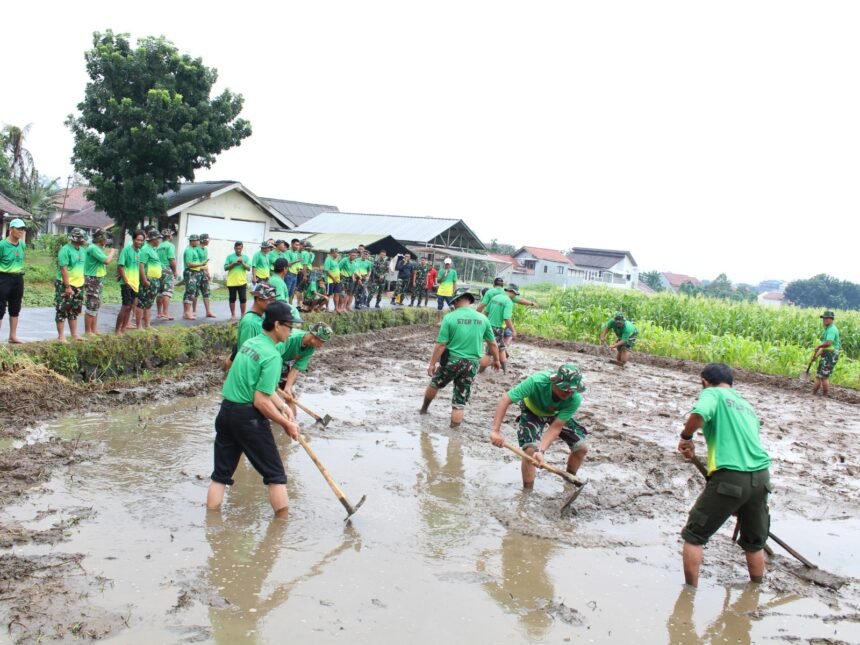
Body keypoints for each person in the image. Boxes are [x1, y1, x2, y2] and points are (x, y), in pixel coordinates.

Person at [677, 363, 771, 588]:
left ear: (704, 381)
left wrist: (686, 436)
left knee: (694, 535)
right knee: (754, 543)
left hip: (731, 477)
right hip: (761, 478)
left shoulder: (711, 393)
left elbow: (699, 414)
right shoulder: (745, 404)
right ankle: (755, 591)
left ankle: (688, 594)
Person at [206, 301, 300, 517]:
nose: (291, 330)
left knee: (220, 475)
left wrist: (283, 406)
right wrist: (286, 424)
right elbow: (260, 400)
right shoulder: (273, 356)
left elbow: (263, 389)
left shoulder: (250, 344)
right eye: (290, 326)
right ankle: (281, 532)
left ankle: (211, 525)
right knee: (276, 475)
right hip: (248, 419)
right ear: (277, 325)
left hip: (226, 412)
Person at [489, 364, 589, 487]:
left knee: (581, 447)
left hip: (555, 414)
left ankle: (571, 480)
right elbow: (506, 399)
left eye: (572, 390)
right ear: (555, 382)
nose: (568, 392)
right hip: (532, 410)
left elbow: (556, 427)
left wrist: (541, 451)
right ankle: (527, 492)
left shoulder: (575, 398)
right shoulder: (536, 381)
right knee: (531, 450)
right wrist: (495, 431)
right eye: (564, 388)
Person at [421, 288, 500, 427]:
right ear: (469, 300)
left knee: (435, 383)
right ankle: (454, 434)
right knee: (459, 401)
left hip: (452, 360)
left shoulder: (450, 317)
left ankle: (424, 409)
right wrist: (497, 360)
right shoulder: (483, 319)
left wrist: (432, 363)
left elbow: (441, 344)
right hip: (472, 364)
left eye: (454, 302)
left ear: (457, 300)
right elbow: (493, 343)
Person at [278, 322, 333, 417]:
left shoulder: (310, 348)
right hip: (271, 358)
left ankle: (293, 421)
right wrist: (272, 381)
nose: (322, 345)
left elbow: (296, 368)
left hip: (284, 362)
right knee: (268, 391)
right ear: (314, 336)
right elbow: (272, 357)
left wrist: (287, 387)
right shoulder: (290, 338)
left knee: (290, 395)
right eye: (322, 341)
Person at [54, 227, 88, 342]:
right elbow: (63, 269)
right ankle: (61, 336)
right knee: (62, 309)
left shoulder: (83, 251)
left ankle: (74, 334)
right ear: (75, 238)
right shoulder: (65, 250)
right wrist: (67, 286)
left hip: (79, 284)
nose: (83, 240)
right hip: (65, 284)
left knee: (74, 309)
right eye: (81, 238)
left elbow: (83, 268)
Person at [82, 228, 115, 336]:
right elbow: (107, 261)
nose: (106, 240)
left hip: (98, 278)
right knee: (91, 304)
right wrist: (112, 253)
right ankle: (88, 331)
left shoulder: (98, 248)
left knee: (96, 304)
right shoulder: (93, 248)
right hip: (93, 279)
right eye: (105, 238)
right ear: (101, 239)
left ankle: (94, 330)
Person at [0, 218, 28, 344]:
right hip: (3, 277)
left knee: (15, 306)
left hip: (18, 278)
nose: (21, 232)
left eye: (22, 229)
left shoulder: (22, 244)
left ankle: (13, 336)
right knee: (0, 307)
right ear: (11, 229)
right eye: (18, 229)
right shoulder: (2, 245)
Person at [481, 284, 518, 371]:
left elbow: (486, 312)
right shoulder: (508, 302)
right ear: (512, 292)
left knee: (501, 348)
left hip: (488, 326)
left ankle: (504, 371)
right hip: (497, 328)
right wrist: (513, 331)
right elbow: (507, 318)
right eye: (515, 294)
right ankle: (481, 371)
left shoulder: (495, 297)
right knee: (489, 352)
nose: (515, 296)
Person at [116, 229, 145, 334]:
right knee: (125, 306)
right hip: (127, 283)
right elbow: (120, 266)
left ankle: (124, 329)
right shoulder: (126, 250)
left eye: (142, 241)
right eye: (138, 240)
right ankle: (117, 330)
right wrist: (126, 281)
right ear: (133, 239)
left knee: (130, 308)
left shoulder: (140, 252)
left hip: (135, 284)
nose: (140, 242)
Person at [137, 229, 163, 328]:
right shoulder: (145, 250)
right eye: (159, 238)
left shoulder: (153, 250)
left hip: (154, 280)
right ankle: (139, 326)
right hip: (148, 279)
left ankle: (147, 325)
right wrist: (144, 280)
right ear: (153, 239)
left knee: (149, 303)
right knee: (142, 303)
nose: (160, 240)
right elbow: (141, 265)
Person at [811, 310, 840, 397]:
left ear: (831, 319)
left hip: (831, 355)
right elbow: (825, 346)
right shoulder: (827, 329)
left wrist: (818, 346)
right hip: (826, 353)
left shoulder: (832, 330)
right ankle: (813, 394)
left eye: (827, 318)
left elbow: (828, 343)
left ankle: (825, 396)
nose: (824, 320)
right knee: (819, 375)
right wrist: (816, 355)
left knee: (824, 376)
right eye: (824, 318)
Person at [224, 241, 251, 320]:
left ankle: (243, 314)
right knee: (232, 298)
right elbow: (225, 268)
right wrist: (233, 264)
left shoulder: (245, 257)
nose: (238, 250)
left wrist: (242, 263)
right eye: (237, 248)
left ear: (242, 248)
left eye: (240, 248)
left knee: (243, 298)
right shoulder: (229, 257)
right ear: (234, 248)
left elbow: (249, 268)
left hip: (242, 281)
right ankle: (233, 314)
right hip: (232, 281)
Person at [183, 234, 206, 320]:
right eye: (197, 240)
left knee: (190, 292)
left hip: (194, 272)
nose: (198, 242)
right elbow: (189, 264)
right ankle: (187, 312)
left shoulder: (193, 249)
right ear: (192, 241)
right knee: (190, 292)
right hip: (190, 272)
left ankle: (186, 312)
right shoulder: (189, 250)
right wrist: (201, 264)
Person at [156, 229, 177, 321]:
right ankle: (165, 312)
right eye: (172, 235)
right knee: (167, 291)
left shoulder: (158, 246)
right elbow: (171, 259)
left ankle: (159, 312)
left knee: (160, 292)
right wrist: (175, 271)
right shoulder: (170, 245)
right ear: (169, 236)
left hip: (158, 269)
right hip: (167, 269)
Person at [194, 233, 216, 319]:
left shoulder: (205, 249)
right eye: (207, 239)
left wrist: (208, 272)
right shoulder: (196, 249)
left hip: (204, 272)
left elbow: (205, 262)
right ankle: (194, 311)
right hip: (197, 272)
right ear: (204, 240)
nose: (209, 241)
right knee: (195, 292)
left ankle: (208, 311)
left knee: (206, 292)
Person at [324, 248, 342, 312]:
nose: (338, 254)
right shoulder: (328, 259)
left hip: (337, 280)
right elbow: (327, 270)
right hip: (330, 280)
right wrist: (333, 278)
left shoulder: (336, 260)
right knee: (328, 294)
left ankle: (336, 308)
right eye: (337, 253)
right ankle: (327, 307)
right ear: (333, 253)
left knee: (337, 293)